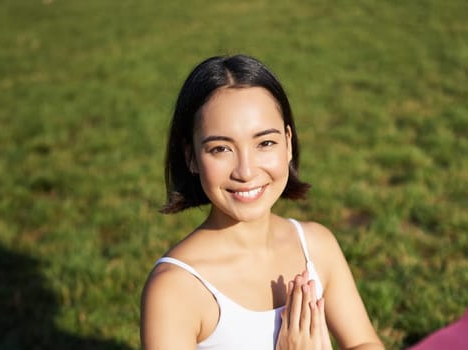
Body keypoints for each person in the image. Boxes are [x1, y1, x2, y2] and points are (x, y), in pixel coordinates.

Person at [141, 54, 384, 350]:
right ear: (191, 156)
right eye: (220, 148)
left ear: (288, 142)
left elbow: (364, 343)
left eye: (265, 143)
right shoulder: (175, 289)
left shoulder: (318, 246)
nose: (246, 171)